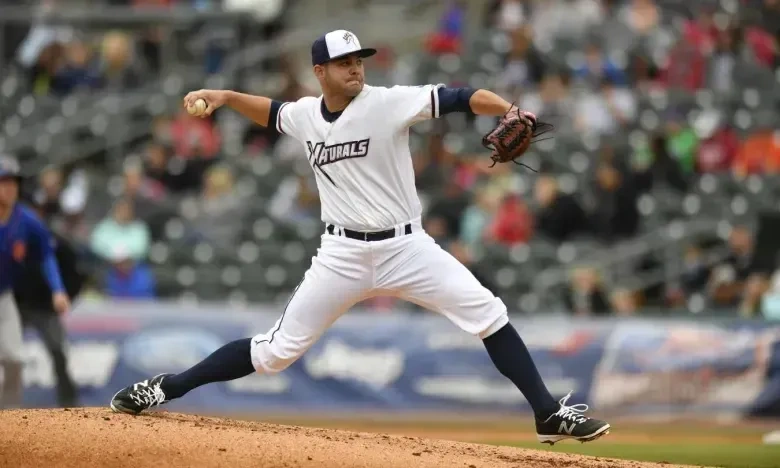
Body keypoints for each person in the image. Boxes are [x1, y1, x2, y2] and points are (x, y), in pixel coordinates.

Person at [109, 30, 610, 445]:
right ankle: (166, 387)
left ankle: (546, 413)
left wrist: (507, 109)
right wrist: (223, 96)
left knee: (489, 314)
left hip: (406, 247)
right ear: (320, 72)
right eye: (343, 62)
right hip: (341, 254)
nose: (355, 68)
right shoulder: (306, 114)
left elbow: (460, 97)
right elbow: (270, 110)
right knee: (274, 353)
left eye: (359, 60)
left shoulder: (388, 103)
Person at [0, 157, 70, 409]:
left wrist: (58, 290)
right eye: (3, 182)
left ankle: (7, 420)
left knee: (14, 359)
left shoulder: (26, 220)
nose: (9, 188)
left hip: (4, 297)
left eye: (12, 182)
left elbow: (46, 256)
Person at [13, 202, 83, 407]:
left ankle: (69, 402)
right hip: (16, 307)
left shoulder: (57, 243)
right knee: (7, 353)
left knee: (58, 352)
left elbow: (74, 274)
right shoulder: (11, 239)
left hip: (45, 309)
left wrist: (66, 296)